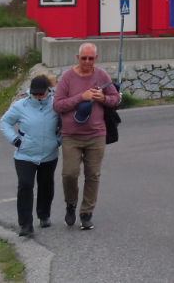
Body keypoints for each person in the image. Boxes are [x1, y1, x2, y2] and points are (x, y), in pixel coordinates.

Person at [53, 43, 120, 230]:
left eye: (91, 58)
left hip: (96, 134)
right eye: (84, 58)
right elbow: (57, 105)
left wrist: (103, 98)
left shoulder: (102, 75)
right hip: (71, 135)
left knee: (93, 175)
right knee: (70, 174)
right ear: (78, 57)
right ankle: (71, 204)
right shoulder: (67, 77)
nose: (87, 62)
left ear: (96, 58)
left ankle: (86, 213)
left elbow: (116, 99)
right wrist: (80, 97)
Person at [0, 74, 60, 237]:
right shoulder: (20, 106)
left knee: (46, 184)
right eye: (35, 93)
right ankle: (25, 224)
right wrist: (15, 139)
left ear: (48, 90)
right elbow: (4, 122)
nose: (38, 96)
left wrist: (58, 140)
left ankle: (44, 215)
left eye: (41, 93)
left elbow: (65, 123)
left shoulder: (56, 104)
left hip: (49, 153)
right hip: (25, 154)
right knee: (25, 185)